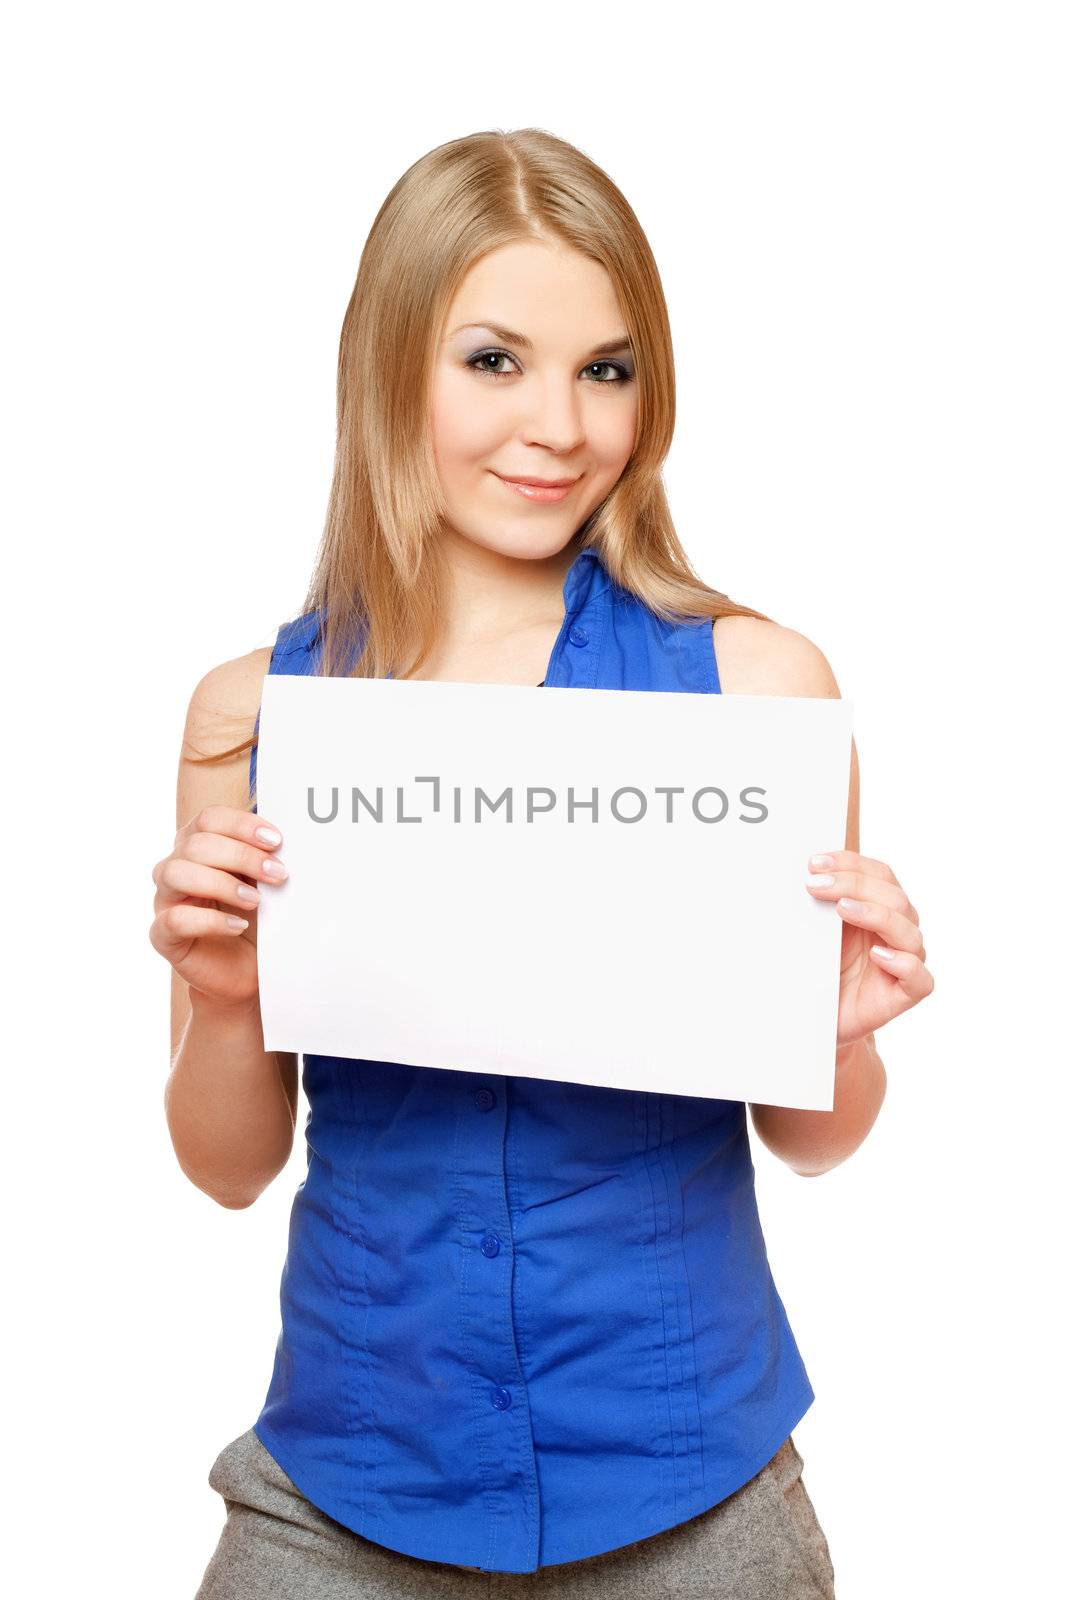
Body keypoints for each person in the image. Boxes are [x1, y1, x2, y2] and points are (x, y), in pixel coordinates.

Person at [152, 128, 934, 1598]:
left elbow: (815, 1137)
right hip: (346, 1483)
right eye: (495, 361)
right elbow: (226, 1166)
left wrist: (835, 1038)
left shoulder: (759, 692)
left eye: (609, 369)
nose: (560, 427)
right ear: (391, 367)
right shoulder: (255, 714)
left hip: (692, 1496)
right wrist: (221, 992)